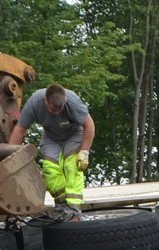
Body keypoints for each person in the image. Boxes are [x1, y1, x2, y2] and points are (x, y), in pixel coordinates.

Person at [8, 83, 95, 215]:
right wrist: (9, 157)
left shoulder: (73, 102)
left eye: (60, 109)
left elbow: (89, 125)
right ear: (45, 101)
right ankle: (61, 205)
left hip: (74, 134)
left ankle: (73, 209)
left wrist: (84, 152)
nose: (57, 112)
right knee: (50, 169)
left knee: (72, 165)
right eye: (53, 109)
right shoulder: (34, 103)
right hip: (51, 137)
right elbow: (20, 130)